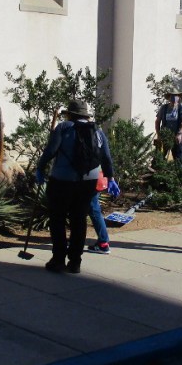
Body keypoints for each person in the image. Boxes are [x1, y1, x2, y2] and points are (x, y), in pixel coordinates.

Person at [36, 100, 119, 273]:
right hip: (88, 182)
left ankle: (58, 259)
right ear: (85, 115)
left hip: (62, 180)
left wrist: (40, 168)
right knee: (79, 220)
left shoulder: (63, 128)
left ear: (70, 114)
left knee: (58, 219)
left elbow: (51, 151)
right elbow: (106, 157)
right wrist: (110, 178)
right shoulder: (97, 131)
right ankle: (75, 262)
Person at [155, 86, 182, 161]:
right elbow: (157, 121)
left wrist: (180, 134)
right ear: (169, 98)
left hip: (177, 137)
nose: (174, 98)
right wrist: (159, 135)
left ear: (179, 97)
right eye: (172, 96)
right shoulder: (164, 108)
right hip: (164, 136)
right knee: (158, 159)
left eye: (176, 96)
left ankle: (179, 167)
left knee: (179, 160)